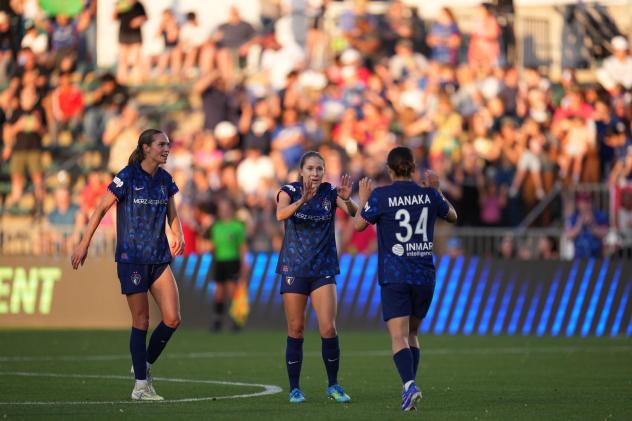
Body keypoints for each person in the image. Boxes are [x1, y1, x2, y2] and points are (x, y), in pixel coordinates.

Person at [71, 129, 184, 401]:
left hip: (158, 258)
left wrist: (177, 233)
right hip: (131, 258)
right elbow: (100, 209)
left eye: (168, 144)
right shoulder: (128, 176)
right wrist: (84, 243)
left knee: (172, 318)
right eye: (161, 144)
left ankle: (142, 365)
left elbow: (173, 214)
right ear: (146, 148)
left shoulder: (166, 180)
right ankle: (140, 387)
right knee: (142, 320)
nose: (166, 149)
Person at [353, 146, 457, 411]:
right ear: (413, 168)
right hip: (424, 274)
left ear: (389, 169)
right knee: (412, 332)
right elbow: (453, 216)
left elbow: (358, 225)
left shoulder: (381, 196)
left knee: (398, 336)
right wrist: (438, 189)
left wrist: (363, 198)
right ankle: (409, 387)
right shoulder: (429, 194)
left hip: (395, 274)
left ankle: (409, 385)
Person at [275, 151, 356, 404]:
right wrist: (302, 201)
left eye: (319, 169)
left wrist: (348, 199)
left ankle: (333, 385)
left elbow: (353, 212)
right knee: (296, 329)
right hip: (294, 268)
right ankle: (295, 388)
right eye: (310, 168)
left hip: (323, 267)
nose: (315, 173)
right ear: (301, 171)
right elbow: (280, 215)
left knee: (328, 328)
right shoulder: (287, 191)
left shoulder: (330, 193)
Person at [208, 197, 248, 332]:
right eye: (221, 209)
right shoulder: (216, 227)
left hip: (232, 261)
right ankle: (217, 321)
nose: (224, 211)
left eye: (226, 209)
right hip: (219, 261)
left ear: (231, 210)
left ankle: (236, 320)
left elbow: (242, 247)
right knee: (218, 292)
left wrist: (244, 264)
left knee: (232, 291)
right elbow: (213, 246)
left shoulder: (237, 226)